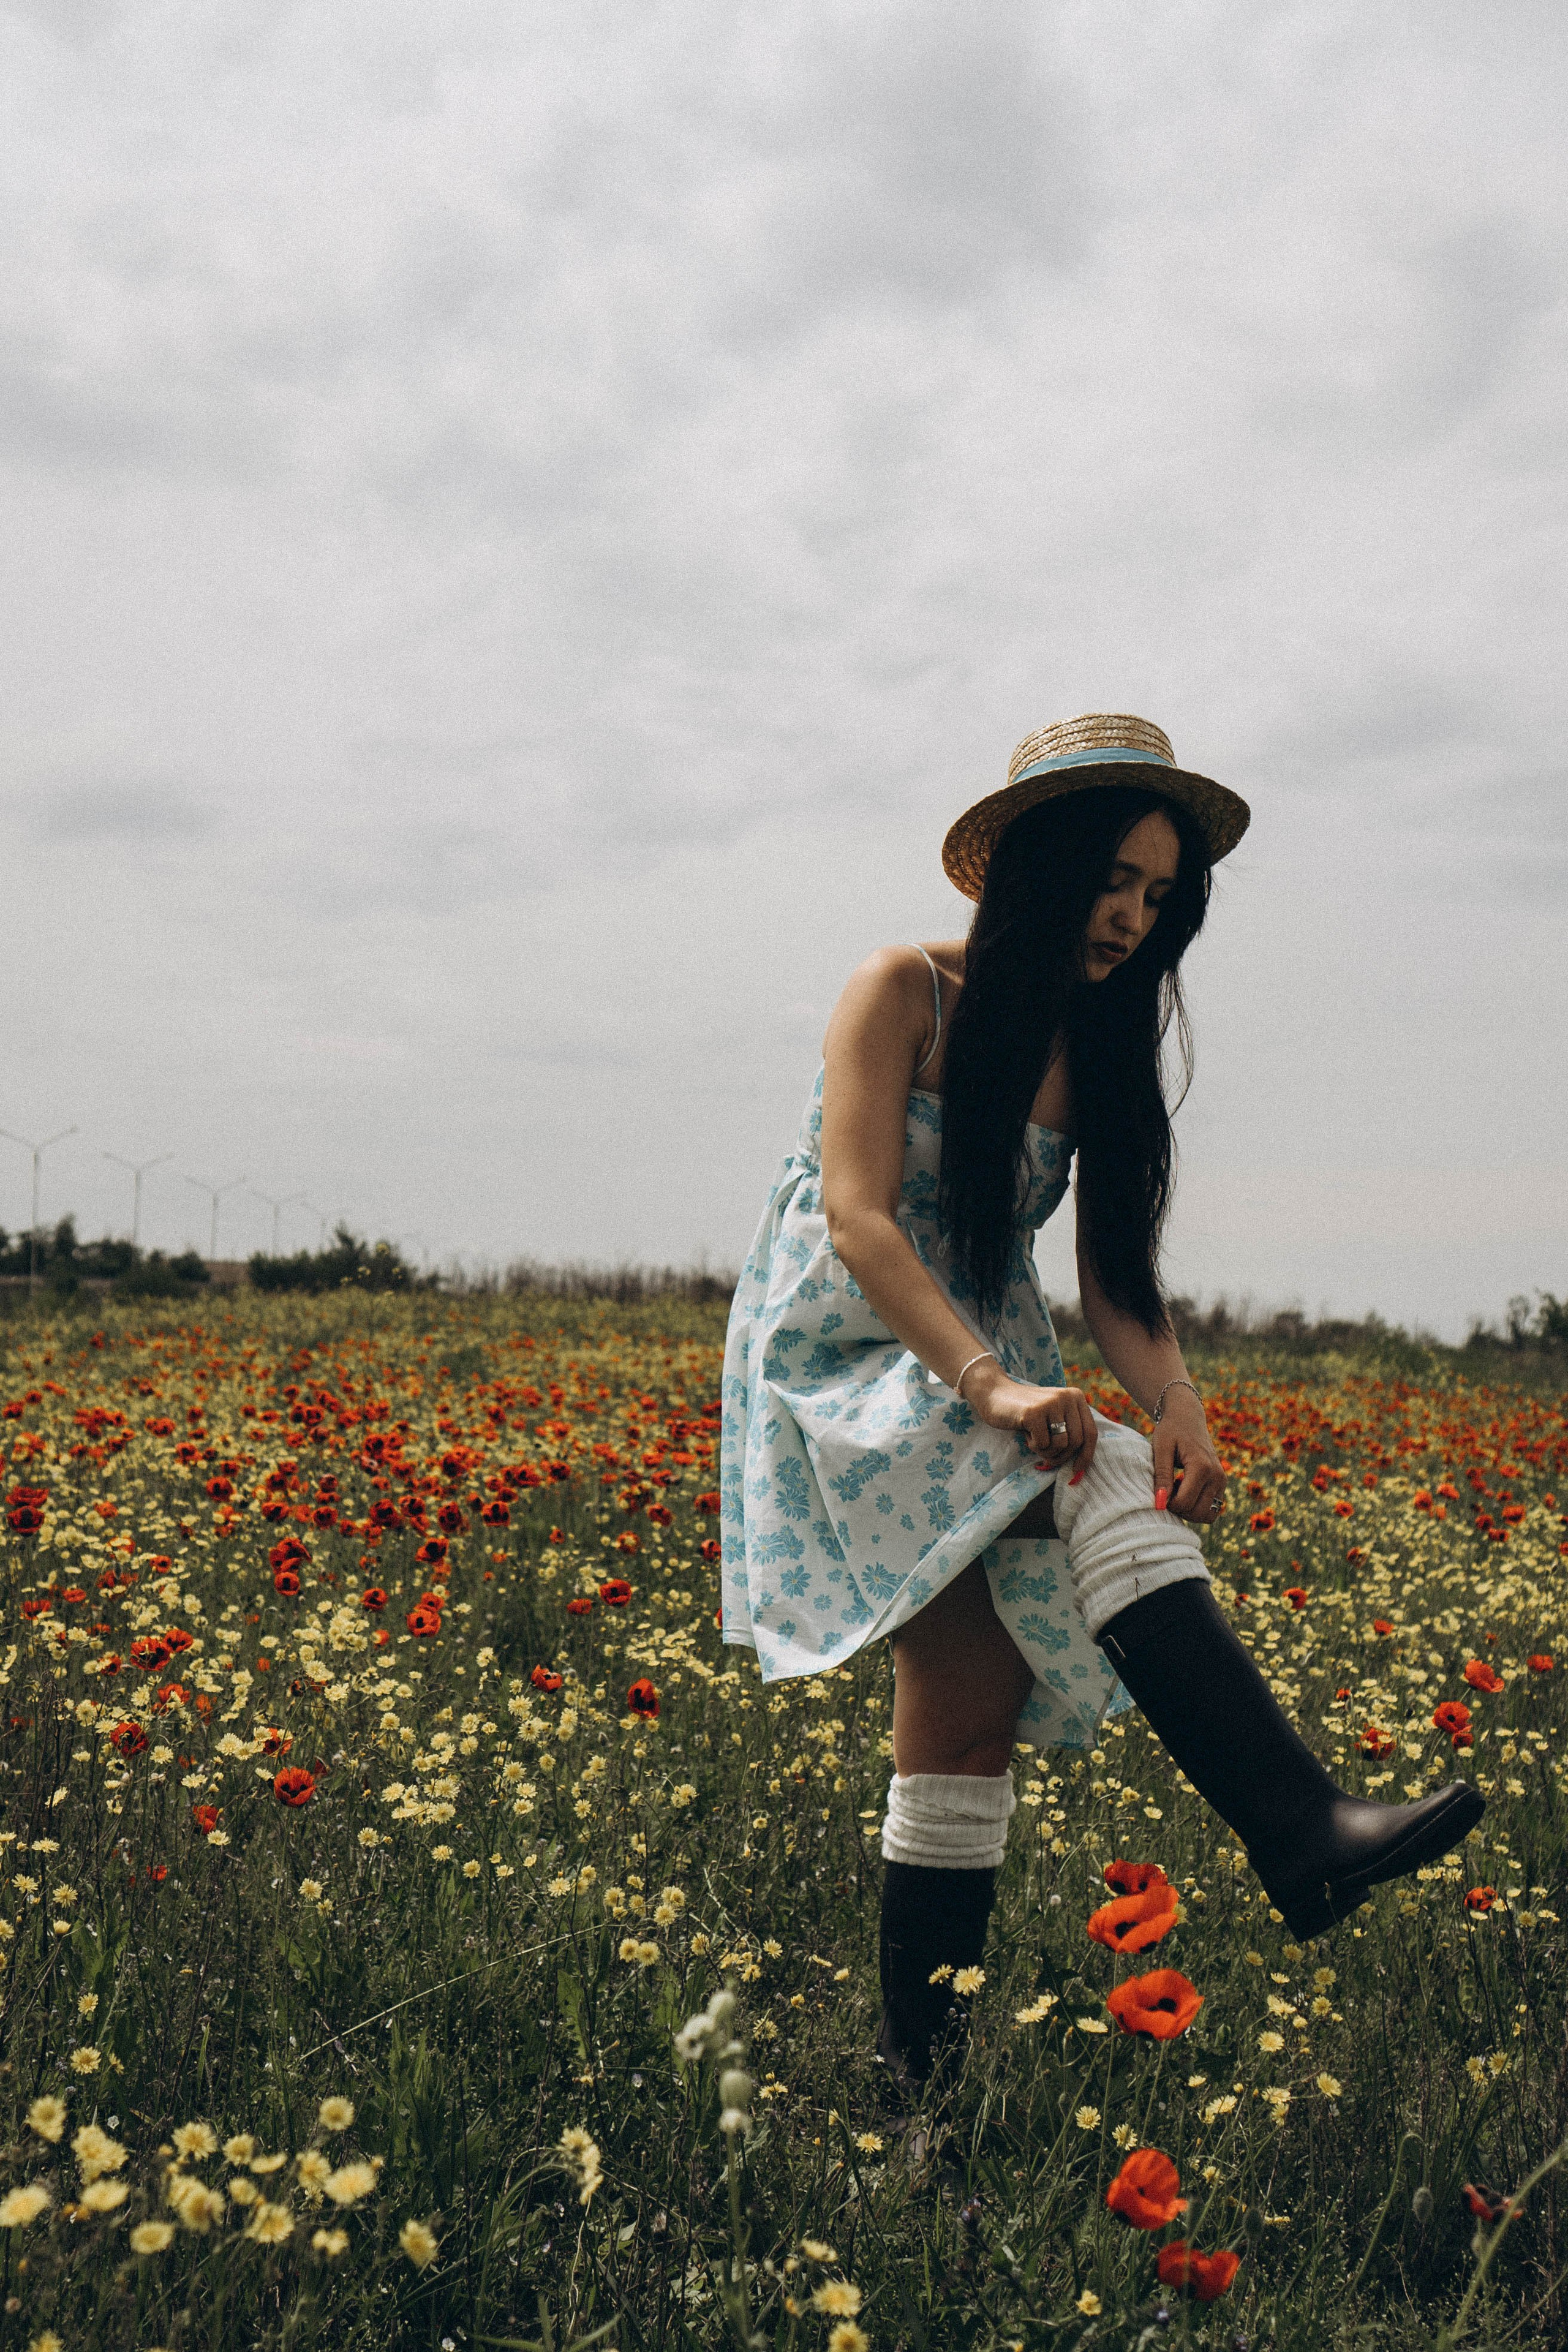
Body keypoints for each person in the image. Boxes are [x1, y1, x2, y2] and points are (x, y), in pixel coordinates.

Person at [719, 712, 1483, 2094]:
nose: (1129, 916)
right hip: (852, 1348)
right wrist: (993, 1383)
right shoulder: (904, 989)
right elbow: (855, 1219)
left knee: (965, 1711)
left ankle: (918, 2099)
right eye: (1109, 879)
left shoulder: (1101, 1046)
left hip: (984, 1352)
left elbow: (1114, 1282)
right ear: (1032, 870)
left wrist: (1178, 1398)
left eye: (1156, 894)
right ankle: (1297, 1825)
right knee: (1099, 1477)